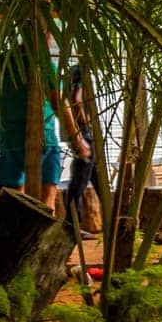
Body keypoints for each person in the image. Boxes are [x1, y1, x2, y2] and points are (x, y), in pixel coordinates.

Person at [0, 42, 90, 210]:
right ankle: (40, 235)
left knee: (15, 199)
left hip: (9, 140)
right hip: (43, 139)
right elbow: (58, 103)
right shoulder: (44, 66)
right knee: (47, 201)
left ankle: (19, 234)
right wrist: (77, 138)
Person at [65, 63, 97, 239]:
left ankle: (113, 222)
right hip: (84, 135)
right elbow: (76, 99)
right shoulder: (81, 73)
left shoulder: (74, 72)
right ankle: (72, 226)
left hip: (83, 134)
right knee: (78, 183)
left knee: (96, 179)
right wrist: (86, 122)